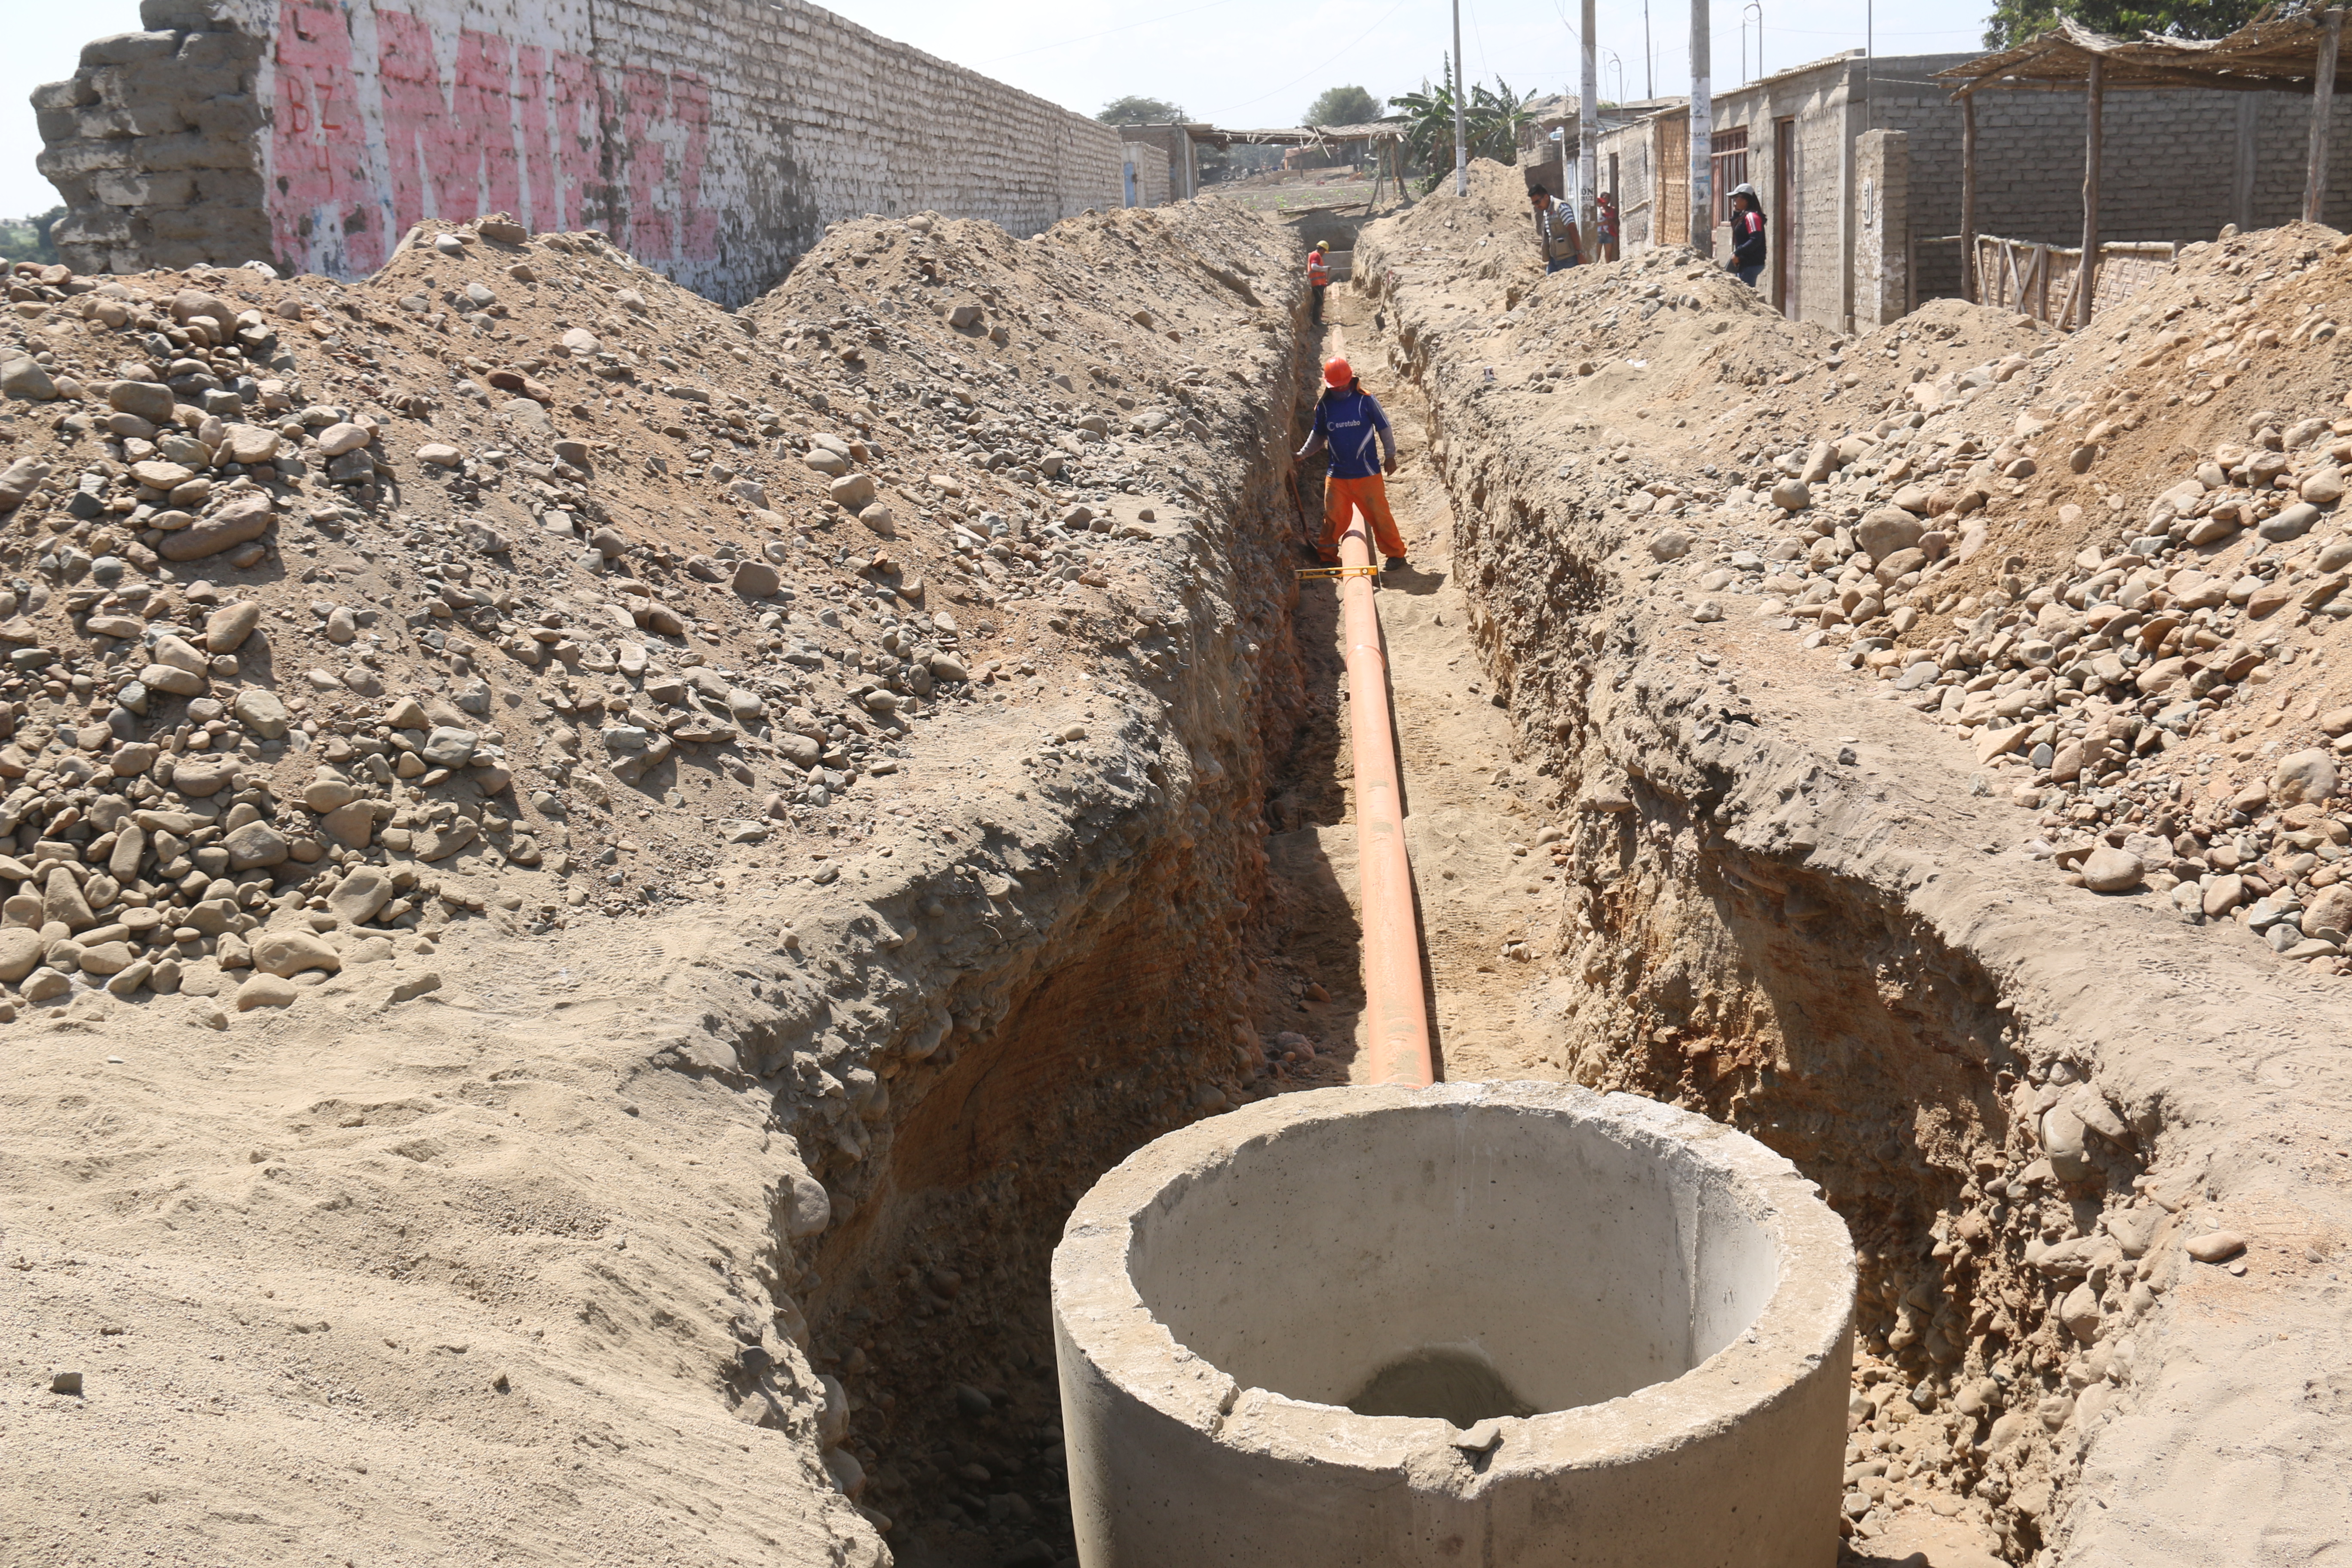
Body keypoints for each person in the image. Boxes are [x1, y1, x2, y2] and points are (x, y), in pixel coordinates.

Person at [1296, 356, 1409, 572]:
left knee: (1380, 516)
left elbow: (1384, 428)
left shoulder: (1366, 401)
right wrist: (1301, 454)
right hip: (1337, 476)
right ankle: (1327, 557)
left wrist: (1390, 455)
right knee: (1333, 519)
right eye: (1336, 386)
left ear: (1351, 379)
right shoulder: (1325, 407)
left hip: (1367, 475)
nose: (1340, 389)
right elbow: (1318, 436)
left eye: (1343, 385)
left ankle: (1396, 554)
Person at [1528, 184, 1580, 273]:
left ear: (1546, 197)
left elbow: (1573, 230)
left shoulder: (1561, 208)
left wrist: (1580, 253)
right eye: (1534, 204)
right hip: (1554, 259)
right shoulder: (1547, 211)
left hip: (1568, 259)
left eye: (1538, 202)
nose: (1537, 206)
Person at [1727, 183, 1767, 289]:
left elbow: (1755, 240)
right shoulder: (1744, 216)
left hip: (1751, 264)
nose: (1735, 202)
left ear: (1746, 200)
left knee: (1747, 295)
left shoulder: (1752, 217)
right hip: (1745, 263)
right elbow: (1737, 231)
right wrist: (1736, 214)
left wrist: (1738, 253)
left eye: (1737, 198)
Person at [1307, 243, 1330, 324]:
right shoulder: (1315, 255)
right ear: (1322, 249)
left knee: (1319, 301)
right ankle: (1317, 321)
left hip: (1318, 283)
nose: (1324, 254)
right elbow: (1314, 267)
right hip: (1317, 283)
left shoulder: (1315, 255)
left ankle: (1318, 320)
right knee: (1319, 302)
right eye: (1324, 252)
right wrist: (1325, 269)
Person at [1596, 191, 1620, 262]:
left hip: (1609, 233)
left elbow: (1617, 222)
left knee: (1608, 254)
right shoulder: (1597, 210)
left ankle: (1608, 268)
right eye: (1605, 198)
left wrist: (1611, 222)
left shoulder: (1613, 210)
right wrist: (1603, 223)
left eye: (1608, 198)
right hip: (1599, 233)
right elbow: (1593, 224)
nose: (1607, 200)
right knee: (1597, 253)